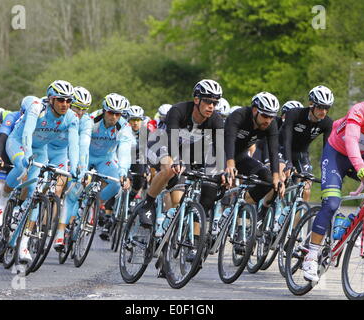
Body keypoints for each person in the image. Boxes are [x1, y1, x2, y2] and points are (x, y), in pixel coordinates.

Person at [302, 79, 364, 282]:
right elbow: (351, 140)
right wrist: (360, 168)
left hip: (360, 155)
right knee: (332, 203)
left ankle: (356, 220)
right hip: (336, 153)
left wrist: (363, 165)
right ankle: (311, 255)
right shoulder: (361, 110)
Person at [0, 80, 79, 262]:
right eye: (60, 100)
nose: (65, 104)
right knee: (21, 166)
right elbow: (27, 133)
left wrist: (76, 166)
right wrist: (27, 154)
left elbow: (74, 145)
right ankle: (2, 202)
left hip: (41, 150)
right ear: (51, 99)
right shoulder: (37, 108)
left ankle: (23, 244)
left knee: (36, 193)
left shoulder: (71, 117)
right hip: (19, 143)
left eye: (68, 101)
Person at [138, 79, 224, 229]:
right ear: (197, 99)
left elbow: (219, 148)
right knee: (169, 167)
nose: (212, 106)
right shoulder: (179, 110)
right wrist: (176, 160)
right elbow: (171, 137)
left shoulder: (215, 120)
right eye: (208, 101)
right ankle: (147, 205)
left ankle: (166, 230)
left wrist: (222, 171)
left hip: (184, 151)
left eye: (215, 103)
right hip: (161, 142)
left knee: (177, 199)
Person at [224, 92, 285, 228]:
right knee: (216, 186)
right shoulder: (239, 115)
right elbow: (229, 140)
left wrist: (276, 177)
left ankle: (240, 204)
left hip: (241, 156)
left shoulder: (271, 124)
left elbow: (274, 150)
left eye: (271, 116)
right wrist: (229, 164)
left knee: (268, 180)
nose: (268, 120)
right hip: (220, 153)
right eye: (265, 115)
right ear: (254, 110)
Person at [0, 97, 32, 244]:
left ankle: (15, 213)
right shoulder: (12, 116)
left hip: (23, 158)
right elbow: (1, 138)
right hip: (7, 155)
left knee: (27, 185)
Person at [88, 93, 135, 241]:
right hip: (87, 155)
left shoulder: (124, 126)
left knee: (116, 184)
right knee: (75, 184)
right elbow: (80, 143)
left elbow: (124, 151)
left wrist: (123, 172)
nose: (114, 117)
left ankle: (93, 204)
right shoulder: (92, 119)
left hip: (105, 159)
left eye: (118, 114)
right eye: (110, 112)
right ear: (104, 110)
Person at [54, 86, 93, 250]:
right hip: (54, 151)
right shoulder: (63, 115)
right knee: (55, 189)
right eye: (77, 107)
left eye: (84, 109)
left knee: (73, 190)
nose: (80, 112)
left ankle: (61, 232)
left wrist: (81, 169)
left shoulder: (86, 121)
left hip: (74, 155)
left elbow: (83, 145)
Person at [280, 87, 333, 201]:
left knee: (307, 185)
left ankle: (300, 216)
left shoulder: (327, 123)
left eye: (326, 108)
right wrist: (288, 162)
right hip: (282, 149)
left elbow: (327, 150)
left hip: (301, 154)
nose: (323, 111)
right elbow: (286, 140)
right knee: (280, 179)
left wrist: (328, 170)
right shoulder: (294, 114)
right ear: (311, 104)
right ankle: (265, 208)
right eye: (320, 107)